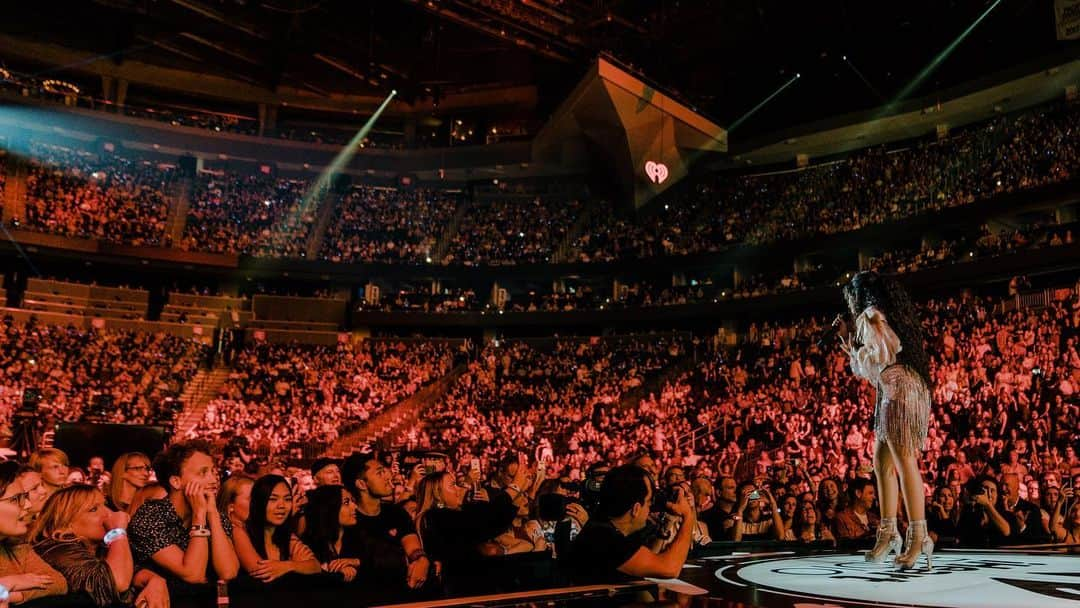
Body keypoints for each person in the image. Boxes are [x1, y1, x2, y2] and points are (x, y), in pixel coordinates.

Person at [841, 271, 933, 569]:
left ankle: (918, 535)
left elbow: (880, 357)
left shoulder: (870, 316)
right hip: (893, 388)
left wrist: (854, 347)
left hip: (898, 389)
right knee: (881, 464)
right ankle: (888, 531)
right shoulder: (881, 315)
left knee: (904, 461)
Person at [31, 485, 170, 608]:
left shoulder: (98, 545)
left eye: (104, 504)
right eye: (93, 509)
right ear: (67, 523)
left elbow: (132, 570)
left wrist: (155, 580)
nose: (108, 513)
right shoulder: (57, 550)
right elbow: (117, 582)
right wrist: (118, 531)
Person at [128, 441, 239, 594]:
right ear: (176, 481)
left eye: (213, 472)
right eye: (203, 472)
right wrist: (199, 515)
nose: (214, 480)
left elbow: (228, 572)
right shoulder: (150, 516)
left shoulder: (215, 515)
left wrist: (212, 514)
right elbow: (193, 574)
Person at [565, 465, 696, 584]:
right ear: (636, 509)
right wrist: (687, 515)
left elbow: (647, 557)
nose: (649, 510)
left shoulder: (607, 529)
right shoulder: (602, 538)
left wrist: (668, 521)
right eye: (649, 504)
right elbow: (669, 568)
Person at [341, 453, 429, 592]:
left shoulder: (396, 513)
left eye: (385, 470)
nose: (388, 476)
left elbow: (412, 547)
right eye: (380, 473)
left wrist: (421, 560)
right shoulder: (349, 519)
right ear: (362, 484)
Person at [0, 461, 68, 604]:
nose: (28, 504)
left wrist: (7, 592)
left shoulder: (16, 544)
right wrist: (6, 585)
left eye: (24, 497)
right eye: (15, 499)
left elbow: (58, 582)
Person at [232, 475, 321, 585]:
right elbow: (259, 571)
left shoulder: (286, 535)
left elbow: (315, 566)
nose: (282, 505)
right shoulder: (240, 530)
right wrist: (296, 566)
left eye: (287, 499)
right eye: (273, 499)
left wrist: (286, 566)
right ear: (259, 502)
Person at [300, 485, 361, 582]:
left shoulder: (358, 537)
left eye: (352, 501)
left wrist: (356, 562)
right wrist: (341, 574)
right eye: (346, 502)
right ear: (329, 508)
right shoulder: (308, 544)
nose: (355, 506)